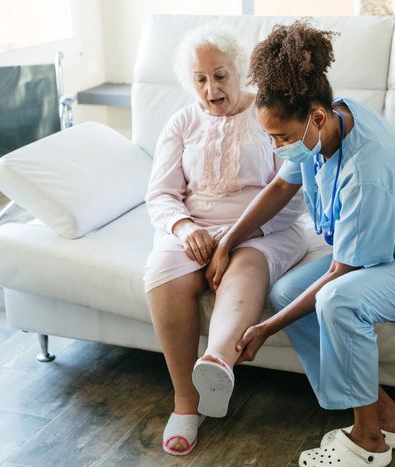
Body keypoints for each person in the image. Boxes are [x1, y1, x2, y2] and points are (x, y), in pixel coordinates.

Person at [206, 21, 395, 467]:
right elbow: (281, 188)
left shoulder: (368, 172)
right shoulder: (326, 123)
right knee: (283, 291)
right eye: (271, 138)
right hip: (391, 250)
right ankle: (387, 415)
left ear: (316, 118)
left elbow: (343, 273)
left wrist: (265, 328)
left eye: (282, 138)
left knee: (338, 301)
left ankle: (368, 440)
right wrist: (229, 241)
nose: (278, 148)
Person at [144, 25, 308, 456]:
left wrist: (232, 239)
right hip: (195, 226)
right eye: (200, 79)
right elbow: (160, 194)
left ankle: (216, 362)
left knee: (246, 266)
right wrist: (184, 228)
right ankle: (185, 403)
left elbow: (293, 194)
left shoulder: (269, 115)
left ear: (239, 71)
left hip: (265, 228)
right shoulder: (181, 122)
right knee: (163, 273)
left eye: (220, 75)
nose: (211, 88)